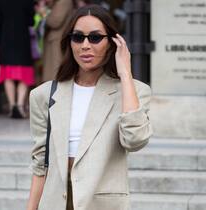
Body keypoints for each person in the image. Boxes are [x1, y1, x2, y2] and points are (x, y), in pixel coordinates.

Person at [27, 4, 152, 210]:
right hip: (55, 201)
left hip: (101, 202)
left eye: (95, 38)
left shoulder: (133, 92)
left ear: (112, 43)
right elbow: (40, 163)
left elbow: (135, 140)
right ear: (70, 42)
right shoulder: (43, 95)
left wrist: (125, 74)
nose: (85, 45)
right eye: (78, 37)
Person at [0, 0, 35, 118]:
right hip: (22, 39)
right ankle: (19, 106)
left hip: (6, 39)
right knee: (24, 73)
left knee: (8, 75)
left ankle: (12, 106)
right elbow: (31, 21)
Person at [41, 0, 74, 82]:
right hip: (54, 40)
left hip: (57, 41)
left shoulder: (64, 2)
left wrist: (43, 12)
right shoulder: (58, 2)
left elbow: (55, 22)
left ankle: (55, 92)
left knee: (55, 69)